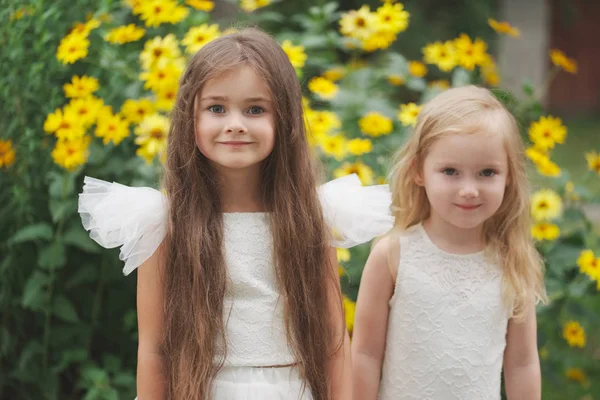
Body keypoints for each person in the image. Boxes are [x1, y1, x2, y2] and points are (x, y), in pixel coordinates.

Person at [79, 28, 393, 400]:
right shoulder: (163, 221)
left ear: (285, 120)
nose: (235, 124)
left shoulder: (312, 216)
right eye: (216, 108)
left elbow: (332, 340)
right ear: (189, 117)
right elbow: (154, 349)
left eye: (255, 109)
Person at [351, 85, 547, 400]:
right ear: (419, 171)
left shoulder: (512, 260)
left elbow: (522, 364)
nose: (469, 189)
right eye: (451, 171)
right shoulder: (393, 255)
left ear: (509, 174)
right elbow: (365, 354)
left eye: (487, 172)